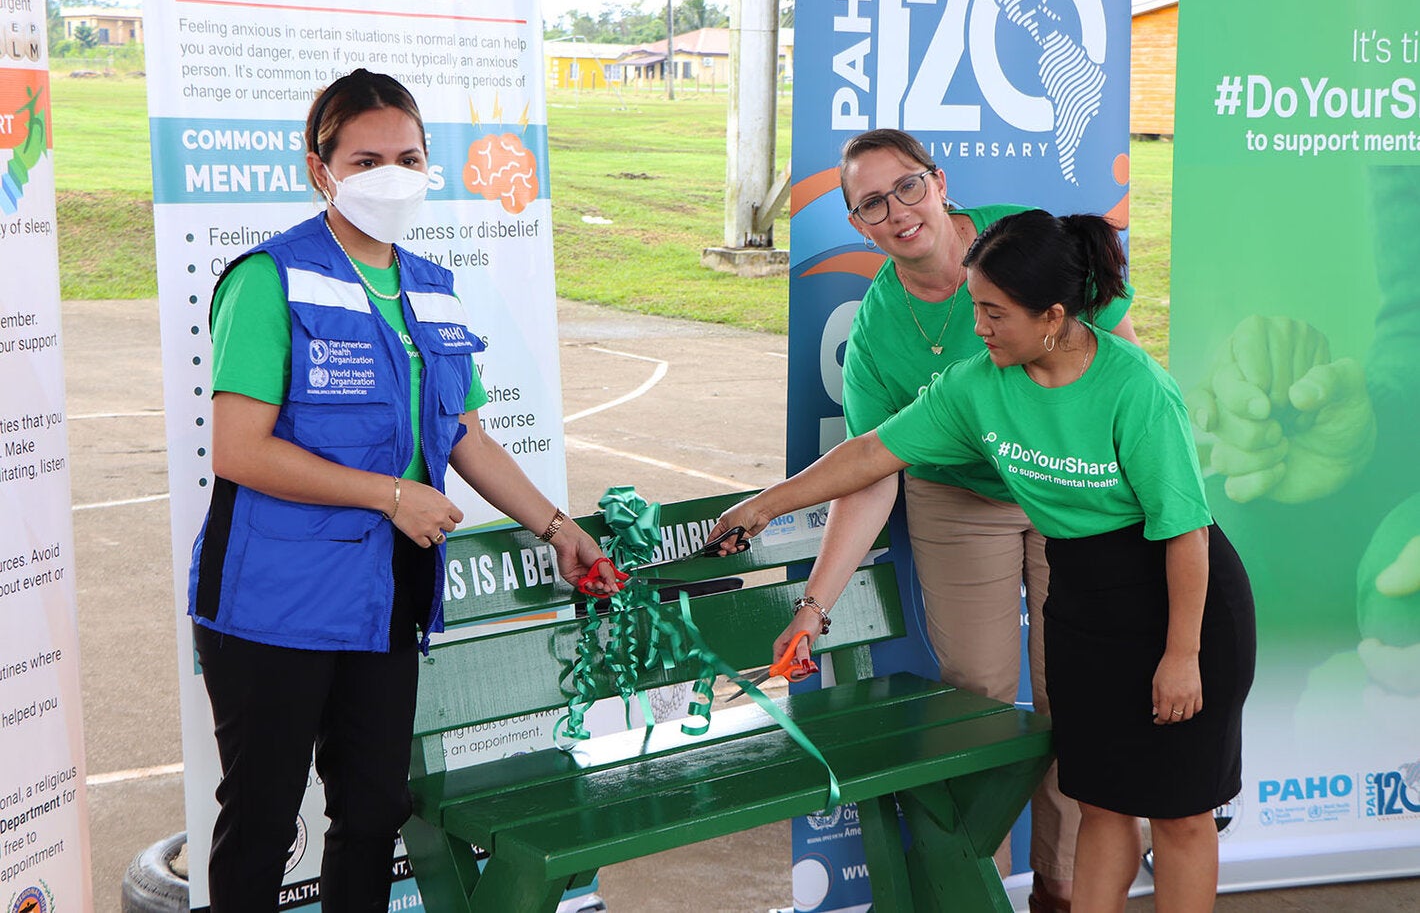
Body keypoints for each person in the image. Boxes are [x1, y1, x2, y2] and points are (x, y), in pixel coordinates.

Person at [714, 209, 1256, 913]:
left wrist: (1182, 654)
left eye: (995, 313)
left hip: (1183, 601)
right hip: (1085, 603)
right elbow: (873, 452)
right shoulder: (979, 384)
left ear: (1053, 316)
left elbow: (1187, 533)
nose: (979, 327)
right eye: (976, 307)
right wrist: (764, 504)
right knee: (1102, 801)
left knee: (1181, 812)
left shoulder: (1137, 389)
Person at [187, 68, 619, 912]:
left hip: (385, 596)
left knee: (375, 807)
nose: (391, 174)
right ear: (321, 170)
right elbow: (240, 451)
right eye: (366, 158)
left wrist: (555, 524)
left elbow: (460, 431)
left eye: (408, 156)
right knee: (265, 820)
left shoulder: (431, 283)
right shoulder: (268, 279)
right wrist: (391, 495)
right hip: (272, 600)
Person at [785, 128, 1138, 909]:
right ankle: (972, 879)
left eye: (906, 186)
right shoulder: (878, 326)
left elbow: (1124, 360)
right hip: (958, 498)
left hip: (1066, 482)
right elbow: (871, 473)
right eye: (871, 202)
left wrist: (1138, 488)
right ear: (857, 224)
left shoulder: (1028, 238)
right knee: (976, 695)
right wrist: (813, 605)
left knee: (1073, 693)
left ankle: (1061, 885)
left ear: (939, 182)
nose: (897, 210)